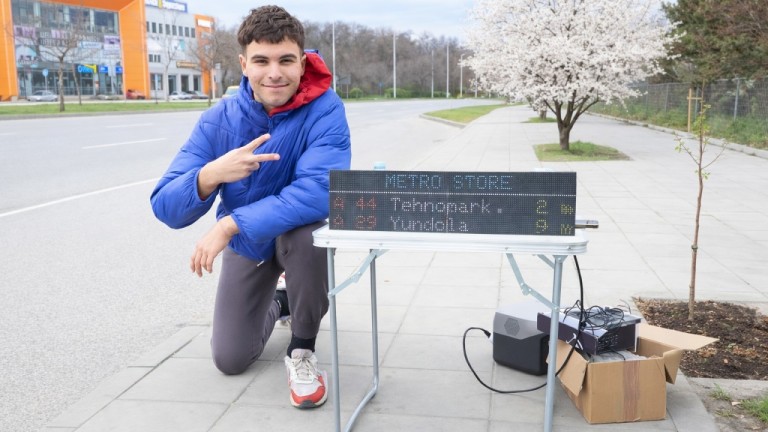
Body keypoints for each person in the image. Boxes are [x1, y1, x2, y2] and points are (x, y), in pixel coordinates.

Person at [150, 5, 351, 409]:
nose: (274, 73)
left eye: (285, 60)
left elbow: (318, 191)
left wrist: (229, 225)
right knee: (230, 359)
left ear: (302, 62)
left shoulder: (325, 109)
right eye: (261, 61)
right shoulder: (218, 120)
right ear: (244, 64)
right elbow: (166, 205)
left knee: (309, 238)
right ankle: (281, 301)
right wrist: (211, 174)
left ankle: (302, 349)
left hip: (291, 236)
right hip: (251, 244)